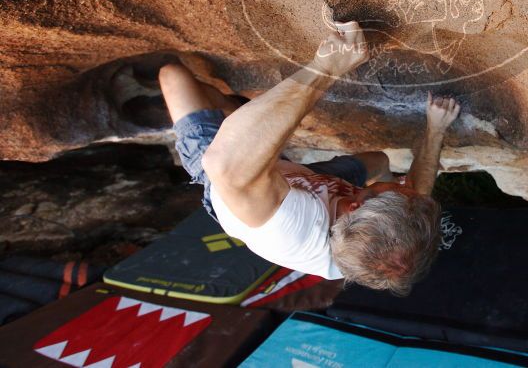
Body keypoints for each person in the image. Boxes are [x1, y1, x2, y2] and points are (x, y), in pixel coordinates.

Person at [156, 21, 461, 296]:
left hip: (231, 182)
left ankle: (232, 112)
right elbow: (416, 196)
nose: (407, 188)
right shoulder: (387, 238)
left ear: (355, 201)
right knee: (379, 161)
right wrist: (436, 128)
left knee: (174, 76)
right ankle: (239, 112)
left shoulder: (291, 228)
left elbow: (222, 164)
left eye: (394, 190)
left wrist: (326, 67)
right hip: (302, 184)